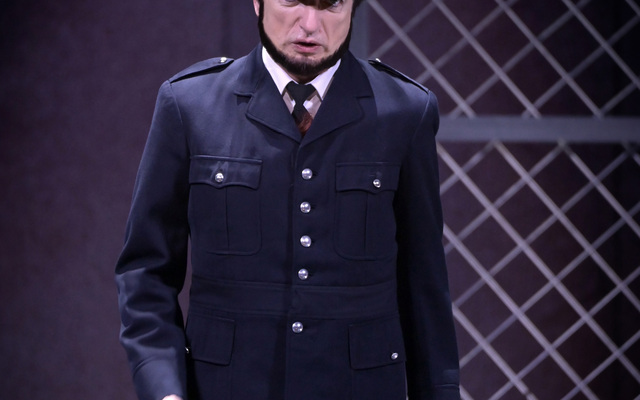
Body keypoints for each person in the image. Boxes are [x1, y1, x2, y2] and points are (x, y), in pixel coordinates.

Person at [115, 0, 460, 399]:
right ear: (257, 3)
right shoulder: (189, 104)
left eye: (331, 4)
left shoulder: (405, 112)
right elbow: (146, 273)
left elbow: (424, 286)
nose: (310, 24)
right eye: (292, 0)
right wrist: (164, 390)